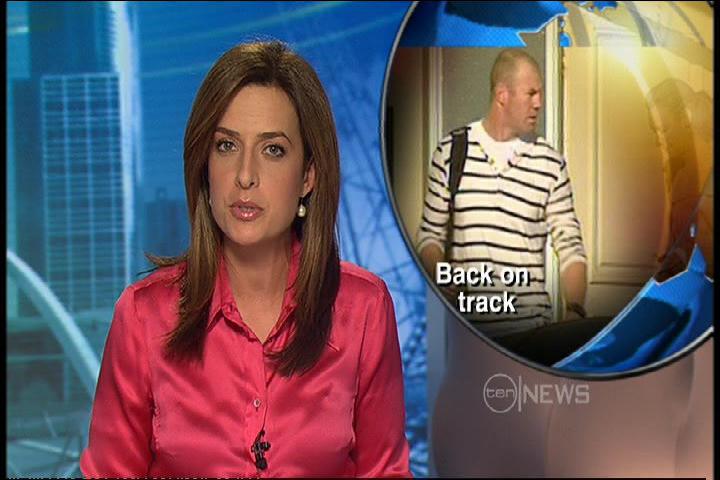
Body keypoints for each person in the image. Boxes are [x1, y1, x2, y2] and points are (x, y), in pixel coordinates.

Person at [80, 41, 411, 478]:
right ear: (204, 166)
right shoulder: (143, 317)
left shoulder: (363, 310)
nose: (245, 176)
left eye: (273, 150)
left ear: (308, 175)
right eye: (226, 146)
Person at [416, 49, 587, 339]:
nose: (539, 103)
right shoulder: (452, 151)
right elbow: (428, 236)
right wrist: (440, 274)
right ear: (502, 95)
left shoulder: (549, 162)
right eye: (531, 93)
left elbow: (571, 247)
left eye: (540, 94)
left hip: (531, 333)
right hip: (467, 333)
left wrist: (575, 312)